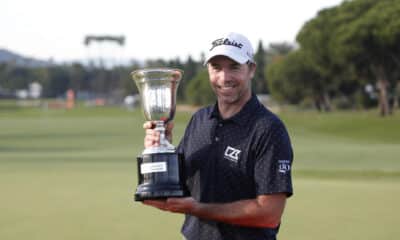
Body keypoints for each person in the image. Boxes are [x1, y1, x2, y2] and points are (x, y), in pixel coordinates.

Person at [142, 32, 294, 240]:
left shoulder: (268, 129)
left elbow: (269, 214)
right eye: (216, 68)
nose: (224, 77)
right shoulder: (200, 119)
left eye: (234, 67)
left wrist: (198, 208)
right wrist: (160, 148)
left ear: (251, 69)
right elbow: (176, 188)